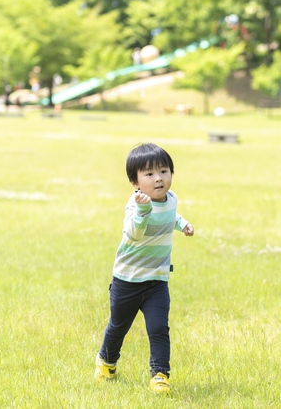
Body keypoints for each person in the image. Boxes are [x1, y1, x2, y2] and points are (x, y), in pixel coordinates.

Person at [94, 143, 194, 394]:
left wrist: (183, 224)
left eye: (164, 171)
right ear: (135, 182)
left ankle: (160, 375)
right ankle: (106, 362)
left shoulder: (171, 198)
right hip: (127, 280)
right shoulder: (135, 205)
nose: (158, 178)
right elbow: (134, 234)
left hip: (157, 280)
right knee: (118, 326)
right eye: (149, 174)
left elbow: (170, 215)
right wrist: (143, 210)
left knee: (159, 328)